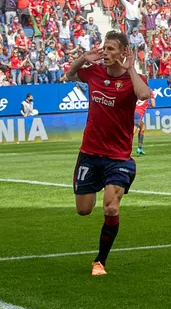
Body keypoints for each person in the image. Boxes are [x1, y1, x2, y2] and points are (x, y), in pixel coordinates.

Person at [65, 32, 151, 276]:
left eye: (112, 49)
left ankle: (99, 261)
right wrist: (84, 58)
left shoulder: (134, 79)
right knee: (83, 210)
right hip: (90, 153)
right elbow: (70, 75)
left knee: (111, 208)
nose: (106, 53)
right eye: (105, 48)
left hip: (118, 157)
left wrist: (130, 69)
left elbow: (144, 95)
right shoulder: (94, 72)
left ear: (123, 52)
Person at [134, 91, 156, 155]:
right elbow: (153, 105)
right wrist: (147, 105)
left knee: (142, 127)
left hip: (132, 111)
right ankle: (122, 149)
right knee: (132, 132)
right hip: (138, 113)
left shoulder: (137, 89)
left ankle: (140, 148)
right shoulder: (149, 91)